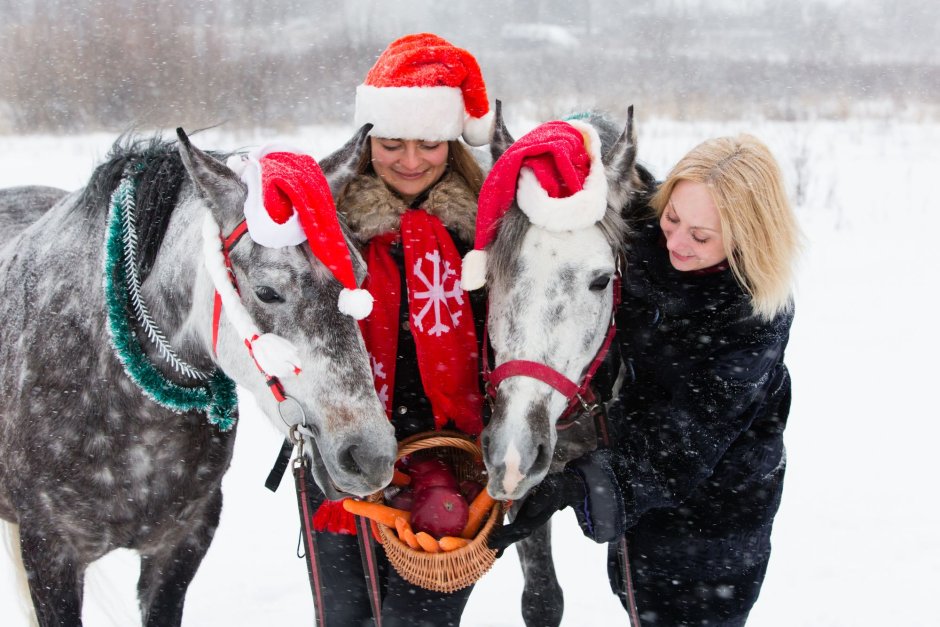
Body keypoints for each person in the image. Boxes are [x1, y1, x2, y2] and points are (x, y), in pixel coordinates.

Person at [489, 134, 801, 626]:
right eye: (672, 218)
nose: (675, 242)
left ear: (749, 236)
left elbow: (685, 443)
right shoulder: (642, 234)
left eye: (701, 237)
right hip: (641, 505)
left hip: (714, 518)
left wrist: (576, 487)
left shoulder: (753, 315)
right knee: (637, 596)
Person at [302, 33, 494, 627]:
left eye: (430, 144)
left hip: (454, 459)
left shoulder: (485, 232)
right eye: (391, 144)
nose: (411, 160)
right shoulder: (328, 231)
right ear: (366, 143)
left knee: (423, 620)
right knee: (346, 615)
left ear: (453, 143)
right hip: (348, 448)